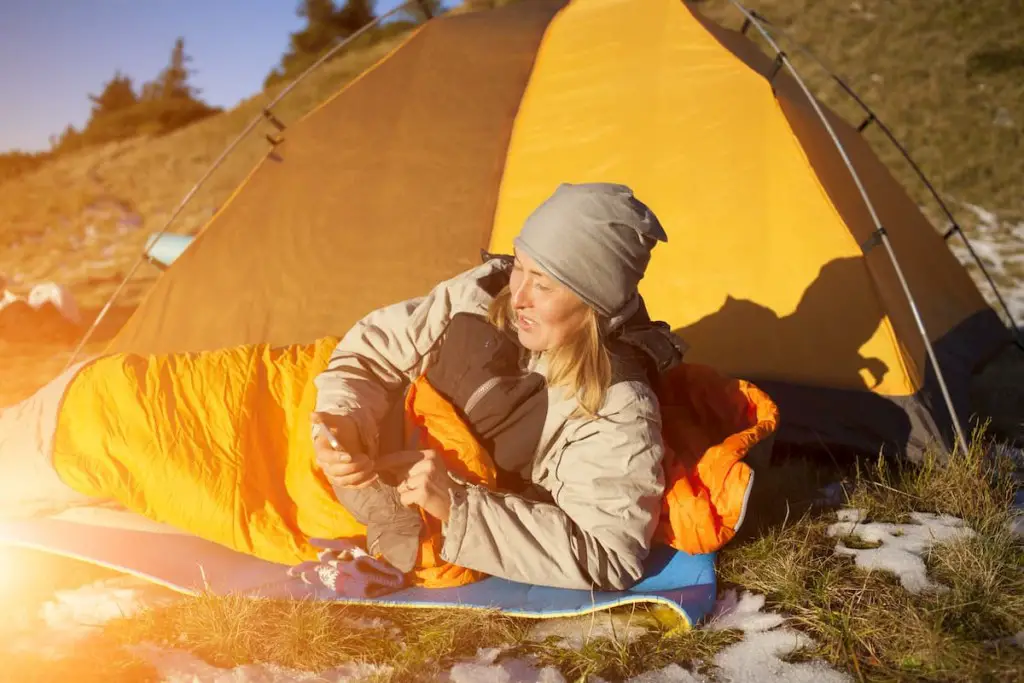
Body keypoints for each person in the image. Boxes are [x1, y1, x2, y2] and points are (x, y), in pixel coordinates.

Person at [311, 182, 688, 591]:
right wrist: (342, 420)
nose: (518, 295)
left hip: (417, 516)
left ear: (593, 302)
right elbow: (372, 351)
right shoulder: (486, 289)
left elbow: (609, 553)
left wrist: (457, 508)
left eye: (543, 284)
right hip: (365, 457)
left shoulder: (611, 400)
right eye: (520, 265)